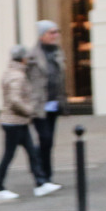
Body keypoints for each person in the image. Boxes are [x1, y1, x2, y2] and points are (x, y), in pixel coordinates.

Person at [0, 46, 49, 199]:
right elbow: (14, 100)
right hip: (14, 122)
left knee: (32, 153)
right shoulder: (18, 76)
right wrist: (29, 110)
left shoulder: (10, 73)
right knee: (9, 155)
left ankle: (41, 183)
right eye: (27, 57)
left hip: (17, 122)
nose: (28, 60)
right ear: (22, 58)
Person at [28, 20, 67, 195]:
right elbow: (25, 80)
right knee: (44, 138)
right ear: (42, 35)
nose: (55, 35)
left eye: (56, 32)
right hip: (38, 105)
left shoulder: (58, 53)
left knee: (49, 141)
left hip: (54, 103)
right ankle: (41, 175)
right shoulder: (32, 55)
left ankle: (47, 177)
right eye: (51, 32)